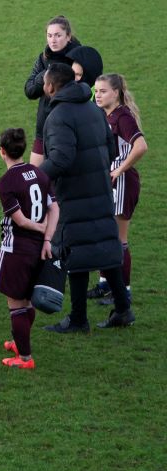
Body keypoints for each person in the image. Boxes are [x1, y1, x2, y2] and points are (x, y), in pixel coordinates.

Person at [40, 63, 135, 333]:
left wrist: (34, 176)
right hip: (100, 189)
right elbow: (111, 145)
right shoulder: (93, 109)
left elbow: (61, 159)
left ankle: (79, 319)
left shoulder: (58, 116)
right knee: (106, 249)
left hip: (75, 194)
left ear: (51, 86)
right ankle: (123, 309)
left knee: (76, 251)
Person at [0, 127, 59, 370]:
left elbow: (20, 221)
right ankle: (18, 341)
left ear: (2, 152)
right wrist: (47, 238)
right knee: (27, 303)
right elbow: (54, 208)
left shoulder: (6, 182)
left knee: (16, 305)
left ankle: (24, 358)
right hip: (38, 251)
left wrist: (40, 230)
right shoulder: (39, 173)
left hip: (16, 251)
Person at [89, 73, 147, 306]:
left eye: (103, 91)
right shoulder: (108, 114)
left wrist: (119, 169)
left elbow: (141, 146)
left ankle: (124, 290)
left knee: (118, 239)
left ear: (116, 92)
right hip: (110, 182)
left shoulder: (122, 116)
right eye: (96, 91)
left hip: (122, 183)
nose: (97, 95)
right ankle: (106, 284)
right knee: (105, 235)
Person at [24, 15, 81, 167]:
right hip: (44, 126)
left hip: (69, 128)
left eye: (58, 35)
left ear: (68, 36)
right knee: (36, 177)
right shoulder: (44, 58)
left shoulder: (79, 60)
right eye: (49, 35)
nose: (53, 40)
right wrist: (45, 74)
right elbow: (29, 91)